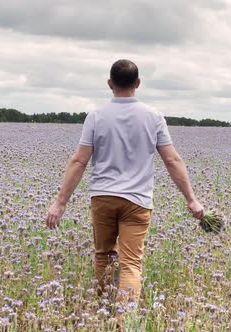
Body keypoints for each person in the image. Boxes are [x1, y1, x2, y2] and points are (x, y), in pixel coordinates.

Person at [45, 59, 205, 308]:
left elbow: (79, 161)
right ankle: (124, 320)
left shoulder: (96, 116)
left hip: (103, 197)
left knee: (104, 257)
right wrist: (192, 200)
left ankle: (102, 314)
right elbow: (172, 160)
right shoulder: (153, 117)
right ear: (138, 84)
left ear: (110, 84)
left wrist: (60, 202)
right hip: (138, 201)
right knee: (131, 263)